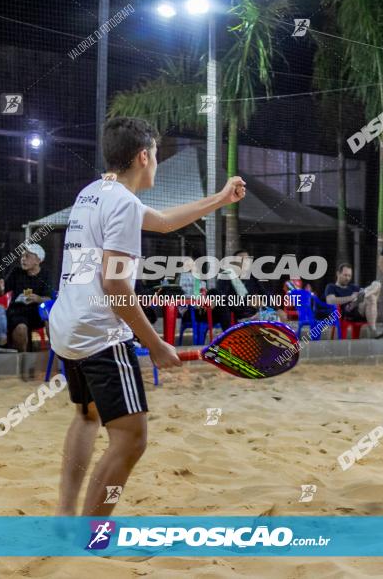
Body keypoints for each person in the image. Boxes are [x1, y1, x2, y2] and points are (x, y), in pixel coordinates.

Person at [50, 116, 245, 517]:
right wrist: (154, 345)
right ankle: (91, 536)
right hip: (99, 334)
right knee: (131, 439)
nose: (157, 160)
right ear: (143, 156)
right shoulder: (122, 203)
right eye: (156, 153)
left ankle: (65, 517)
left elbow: (164, 221)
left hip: (66, 326)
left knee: (87, 417)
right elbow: (116, 288)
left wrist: (221, 199)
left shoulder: (95, 192)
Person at [0, 243, 53, 352]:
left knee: (51, 320)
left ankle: (57, 354)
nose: (23, 259)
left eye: (27, 256)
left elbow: (49, 299)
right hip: (18, 312)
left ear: (38, 260)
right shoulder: (16, 272)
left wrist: (38, 299)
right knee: (21, 329)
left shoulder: (46, 275)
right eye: (22, 256)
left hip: (37, 313)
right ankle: (22, 361)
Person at [324, 263, 383, 338]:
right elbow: (330, 301)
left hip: (361, 310)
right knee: (370, 297)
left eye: (349, 276)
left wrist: (361, 295)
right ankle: (373, 331)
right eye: (345, 275)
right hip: (347, 312)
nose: (347, 278)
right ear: (338, 273)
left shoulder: (353, 287)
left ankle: (365, 294)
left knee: (376, 285)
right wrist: (351, 298)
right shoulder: (331, 287)